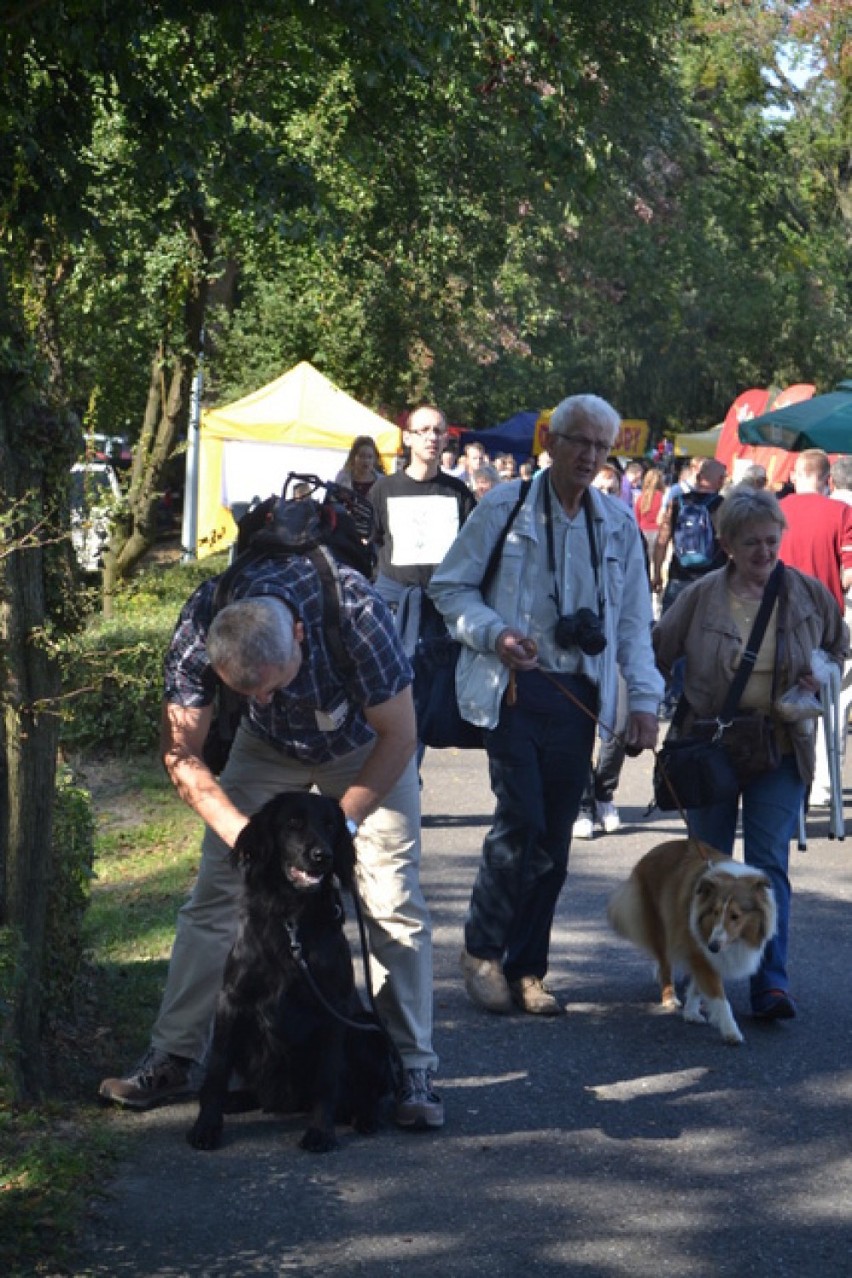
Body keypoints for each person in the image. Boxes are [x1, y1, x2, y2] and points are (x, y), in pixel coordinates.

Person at [99, 548, 443, 1129]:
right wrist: (244, 837)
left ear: (302, 637)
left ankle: (412, 1066)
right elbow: (181, 753)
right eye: (245, 691)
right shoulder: (201, 621)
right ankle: (176, 1056)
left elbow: (401, 735)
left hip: (364, 746)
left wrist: (345, 827)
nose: (260, 697)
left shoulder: (359, 615)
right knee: (214, 896)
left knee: (391, 900)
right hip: (266, 750)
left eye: (271, 685)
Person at [428, 393, 662, 1017]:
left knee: (555, 839)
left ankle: (529, 967)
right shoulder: (504, 506)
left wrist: (644, 702)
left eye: (600, 446)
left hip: (578, 698)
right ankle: (482, 952)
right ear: (550, 443)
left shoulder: (616, 524)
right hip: (511, 689)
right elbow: (448, 587)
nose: (588, 455)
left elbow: (635, 625)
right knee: (523, 820)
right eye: (578, 441)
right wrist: (495, 634)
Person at [653, 485, 847, 1021]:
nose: (764, 552)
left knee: (767, 866)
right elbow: (657, 650)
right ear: (727, 545)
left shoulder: (807, 593)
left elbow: (839, 643)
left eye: (771, 540)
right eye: (751, 543)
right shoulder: (700, 595)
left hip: (779, 746)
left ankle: (771, 983)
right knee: (708, 867)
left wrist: (822, 673)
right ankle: (699, 973)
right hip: (710, 747)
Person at [777, 449, 852, 805]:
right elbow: (849, 575)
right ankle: (819, 784)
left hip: (775, 623)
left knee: (776, 707)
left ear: (794, 475)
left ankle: (787, 790)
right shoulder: (841, 513)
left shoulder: (776, 510)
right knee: (824, 709)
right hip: (823, 628)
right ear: (828, 480)